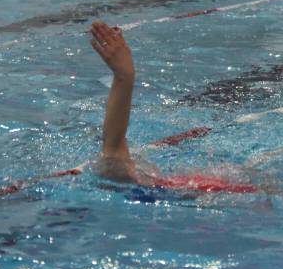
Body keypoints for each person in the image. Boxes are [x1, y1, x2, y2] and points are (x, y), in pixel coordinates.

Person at [89, 21, 268, 194]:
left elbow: (113, 149)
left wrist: (124, 76)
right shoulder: (144, 184)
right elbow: (114, 148)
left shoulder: (132, 182)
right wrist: (123, 76)